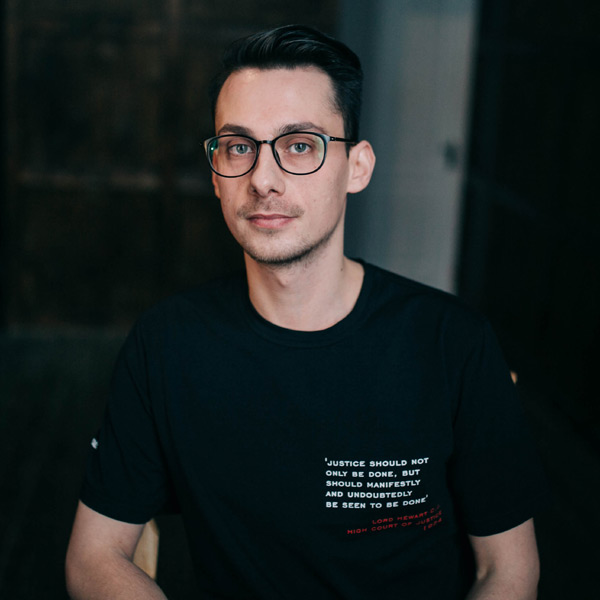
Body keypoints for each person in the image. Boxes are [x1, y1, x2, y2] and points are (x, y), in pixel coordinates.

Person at [66, 24, 547, 599]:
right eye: (238, 147)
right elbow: (93, 555)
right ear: (216, 175)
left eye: (299, 145)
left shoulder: (452, 342)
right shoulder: (166, 343)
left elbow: (508, 570)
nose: (262, 180)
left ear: (357, 167)